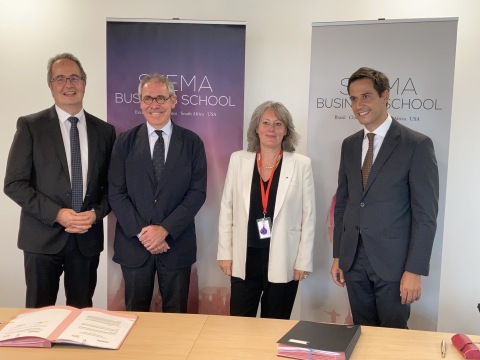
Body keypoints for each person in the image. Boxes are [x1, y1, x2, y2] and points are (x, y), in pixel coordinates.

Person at [4, 53, 116, 308]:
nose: (68, 84)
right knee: (39, 317)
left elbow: (112, 187)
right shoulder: (31, 126)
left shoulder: (105, 131)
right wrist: (57, 214)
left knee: (81, 316)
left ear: (85, 83)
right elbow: (14, 184)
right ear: (51, 86)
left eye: (75, 77)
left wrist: (96, 214)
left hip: (86, 240)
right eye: (60, 79)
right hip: (41, 239)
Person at [330, 67, 439, 328]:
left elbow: (426, 215)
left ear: (385, 96)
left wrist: (414, 270)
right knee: (361, 334)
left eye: (366, 96)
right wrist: (338, 255)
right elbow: (343, 204)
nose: (358, 105)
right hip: (353, 260)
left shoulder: (416, 145)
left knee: (393, 340)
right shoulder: (349, 145)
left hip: (395, 264)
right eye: (353, 99)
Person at [109, 74, 207, 313]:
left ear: (173, 101)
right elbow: (116, 192)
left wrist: (164, 230)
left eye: (161, 98)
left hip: (176, 244)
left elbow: (197, 193)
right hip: (134, 246)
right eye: (148, 98)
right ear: (140, 103)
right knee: (135, 317)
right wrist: (145, 234)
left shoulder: (192, 142)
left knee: (176, 318)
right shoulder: (125, 142)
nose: (155, 104)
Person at [217, 101, 316, 319]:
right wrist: (225, 253)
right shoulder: (238, 160)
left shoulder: (301, 164)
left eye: (278, 124)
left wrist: (303, 260)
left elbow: (308, 217)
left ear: (286, 131)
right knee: (240, 324)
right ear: (256, 128)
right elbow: (227, 209)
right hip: (245, 256)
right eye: (266, 123)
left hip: (284, 257)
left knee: (276, 325)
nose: (271, 129)